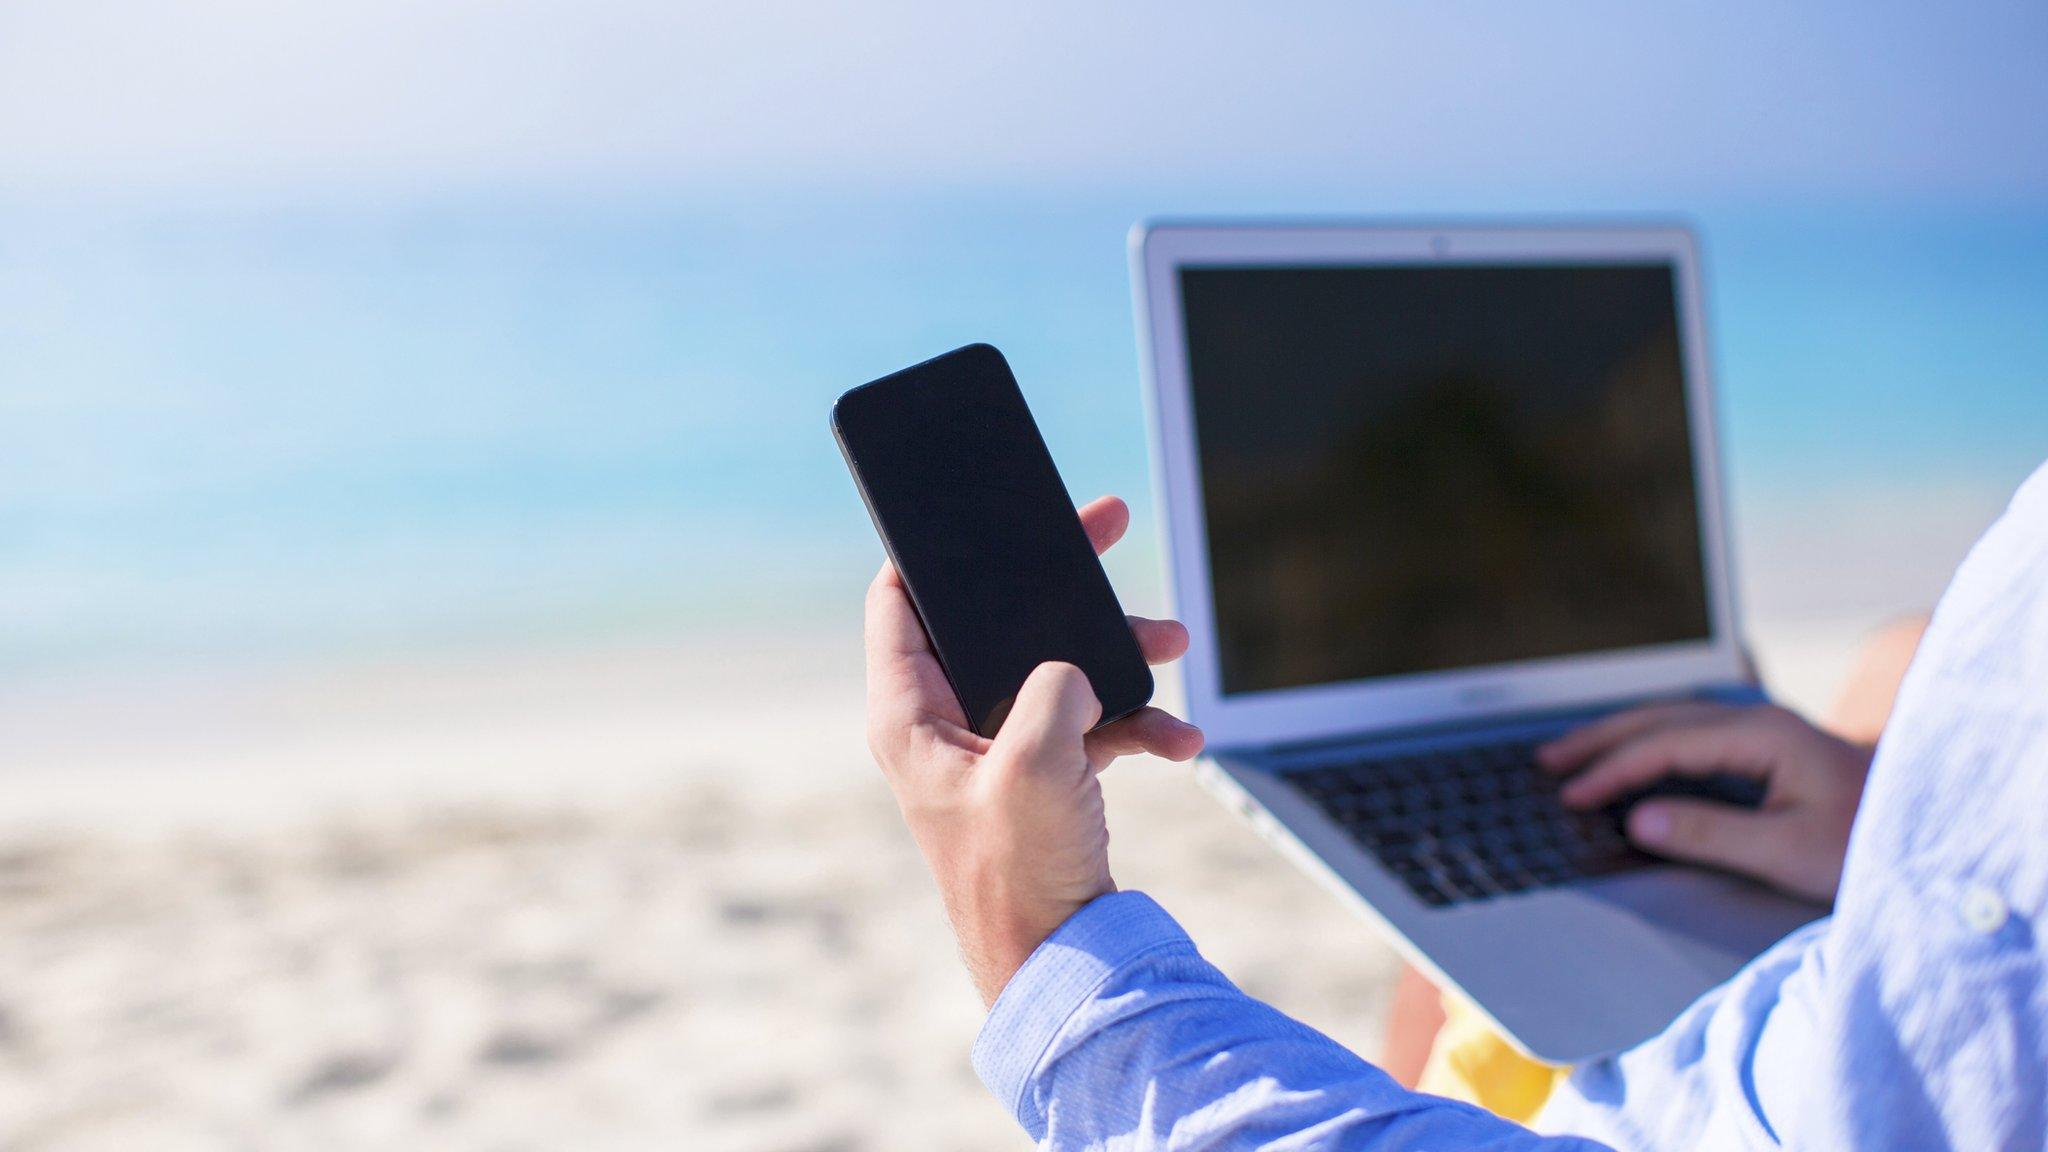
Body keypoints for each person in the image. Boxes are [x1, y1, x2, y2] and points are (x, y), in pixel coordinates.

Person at [860, 471, 2048, 1149]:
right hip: (1832, 963)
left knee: (1438, 931)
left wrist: (1040, 943)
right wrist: (1893, 814)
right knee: (1899, 659)